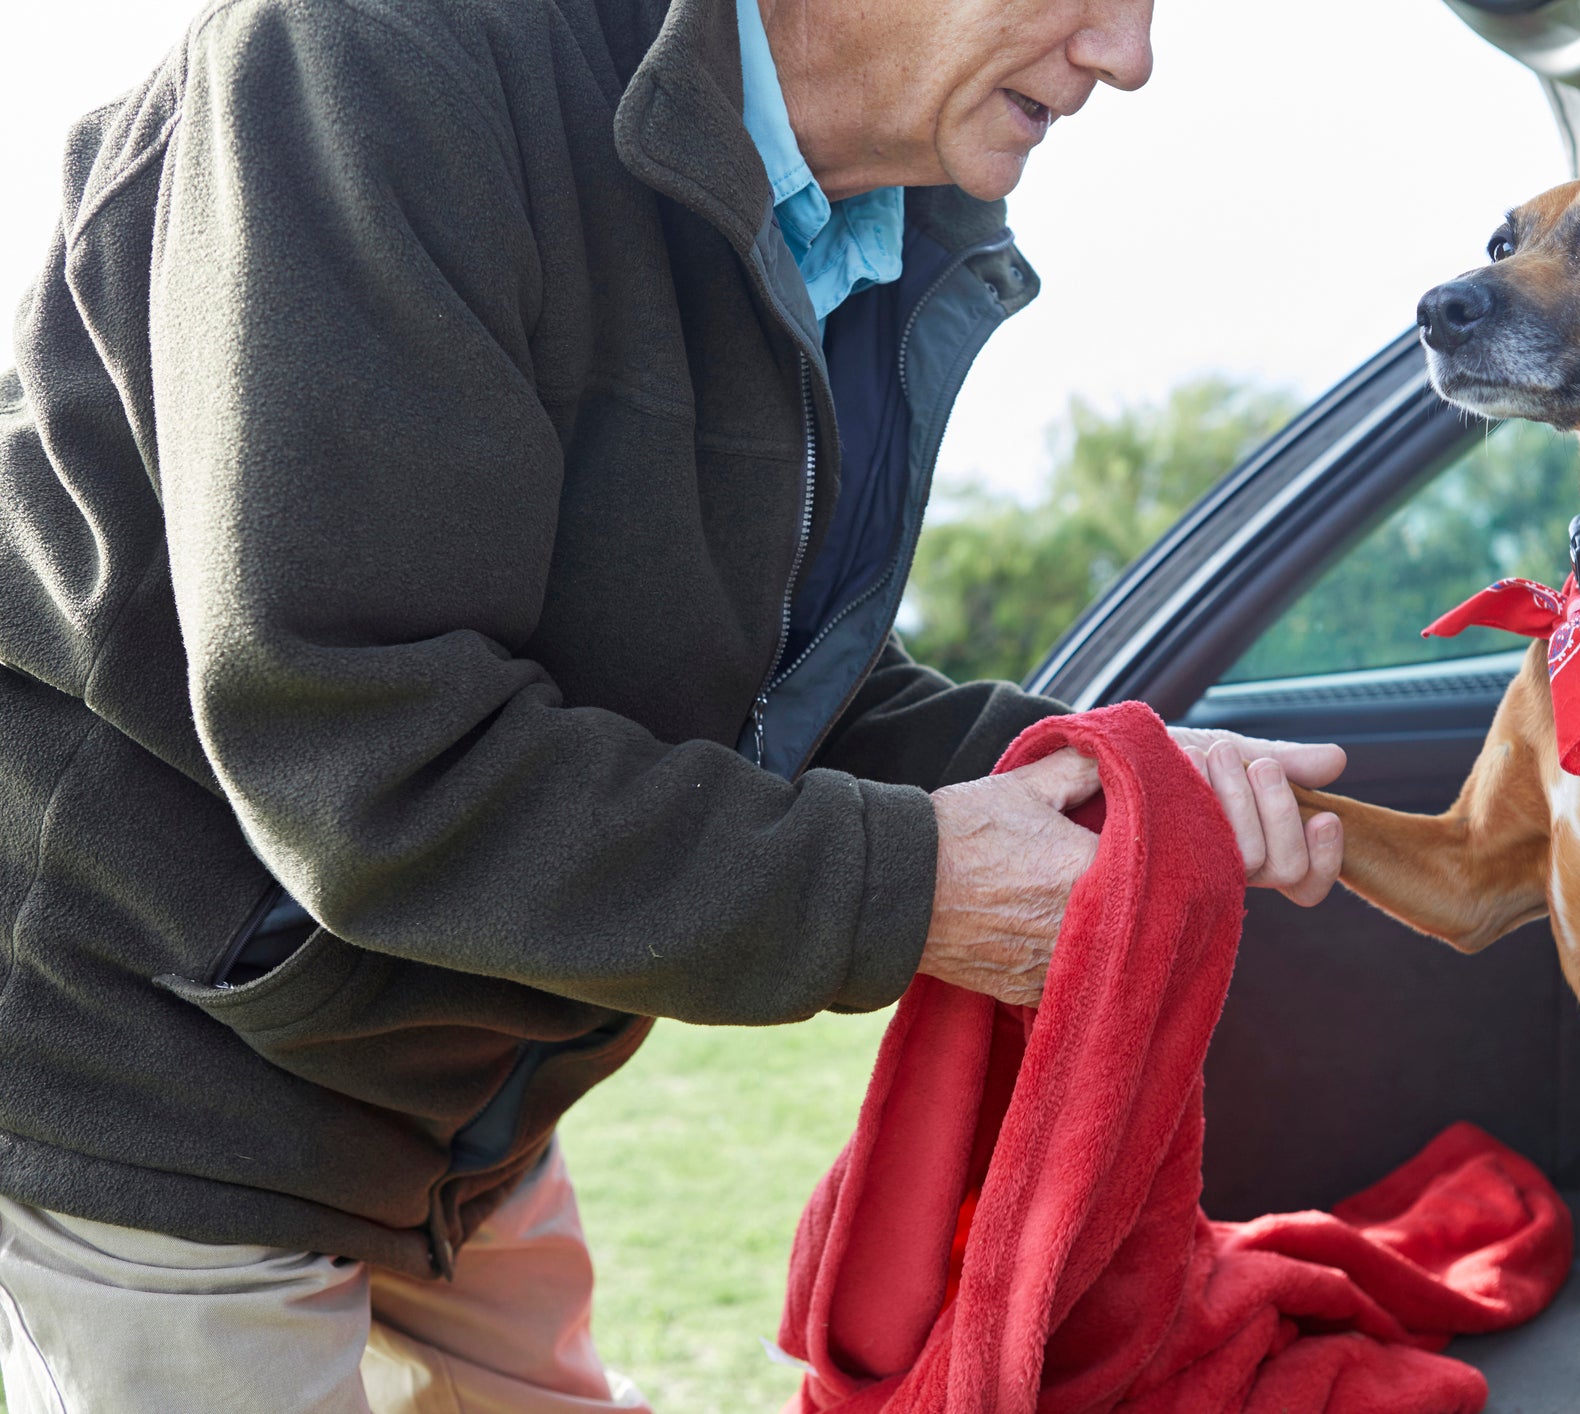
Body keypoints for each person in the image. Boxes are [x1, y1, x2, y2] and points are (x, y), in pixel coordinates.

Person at [0, 0, 1348, 1408]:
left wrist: (1111, 775)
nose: (1127, 59)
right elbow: (370, 753)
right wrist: (914, 884)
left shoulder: (858, 222)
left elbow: (757, 679)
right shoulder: (378, 54)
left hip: (451, 1109)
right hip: (159, 1088)